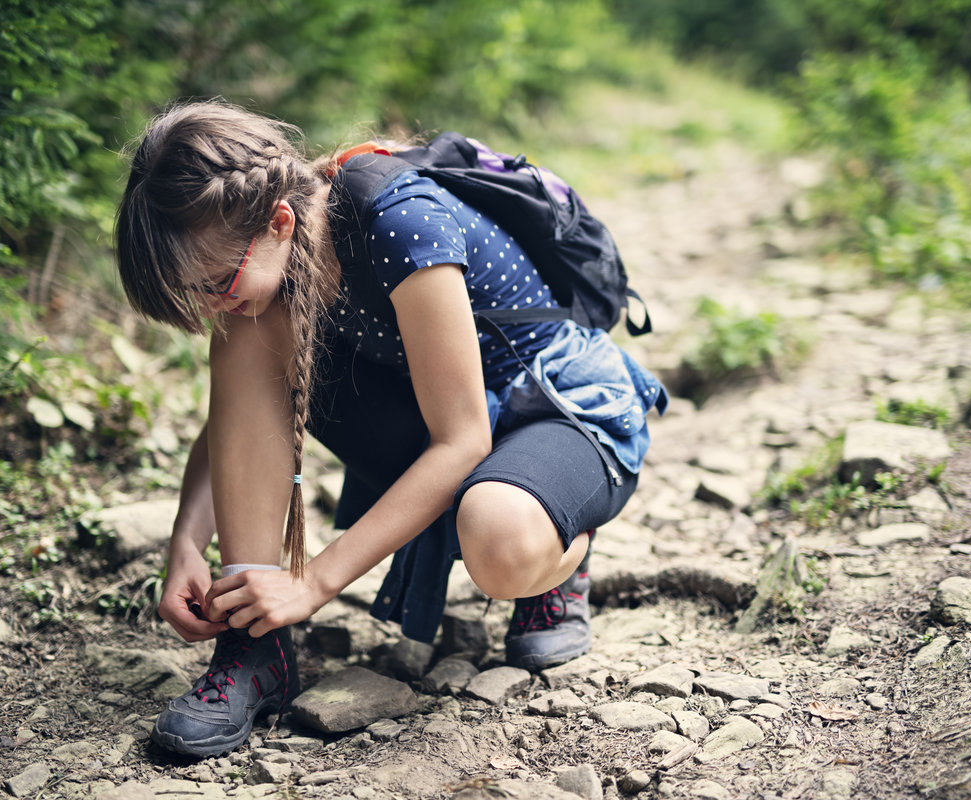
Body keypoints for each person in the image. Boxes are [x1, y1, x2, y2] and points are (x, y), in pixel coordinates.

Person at [114, 100, 668, 759]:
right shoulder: (272, 269)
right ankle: (252, 648)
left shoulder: (398, 220)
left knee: (500, 534)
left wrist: (312, 582)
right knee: (247, 330)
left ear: (280, 219)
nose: (208, 306)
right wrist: (185, 543)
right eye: (192, 294)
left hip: (549, 405)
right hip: (442, 413)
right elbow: (236, 416)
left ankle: (560, 550)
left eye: (213, 283)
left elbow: (461, 441)